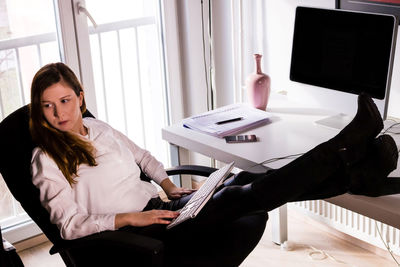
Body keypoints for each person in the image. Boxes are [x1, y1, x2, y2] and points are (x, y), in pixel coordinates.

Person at [30, 62, 400, 266]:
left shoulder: (96, 126)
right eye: (47, 105)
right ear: (39, 109)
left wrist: (169, 186)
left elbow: (142, 157)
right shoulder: (44, 158)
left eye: (64, 101)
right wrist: (129, 219)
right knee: (234, 198)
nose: (58, 113)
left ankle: (354, 173)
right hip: (134, 235)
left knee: (245, 178)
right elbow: (68, 225)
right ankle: (345, 152)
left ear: (80, 97)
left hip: (162, 209)